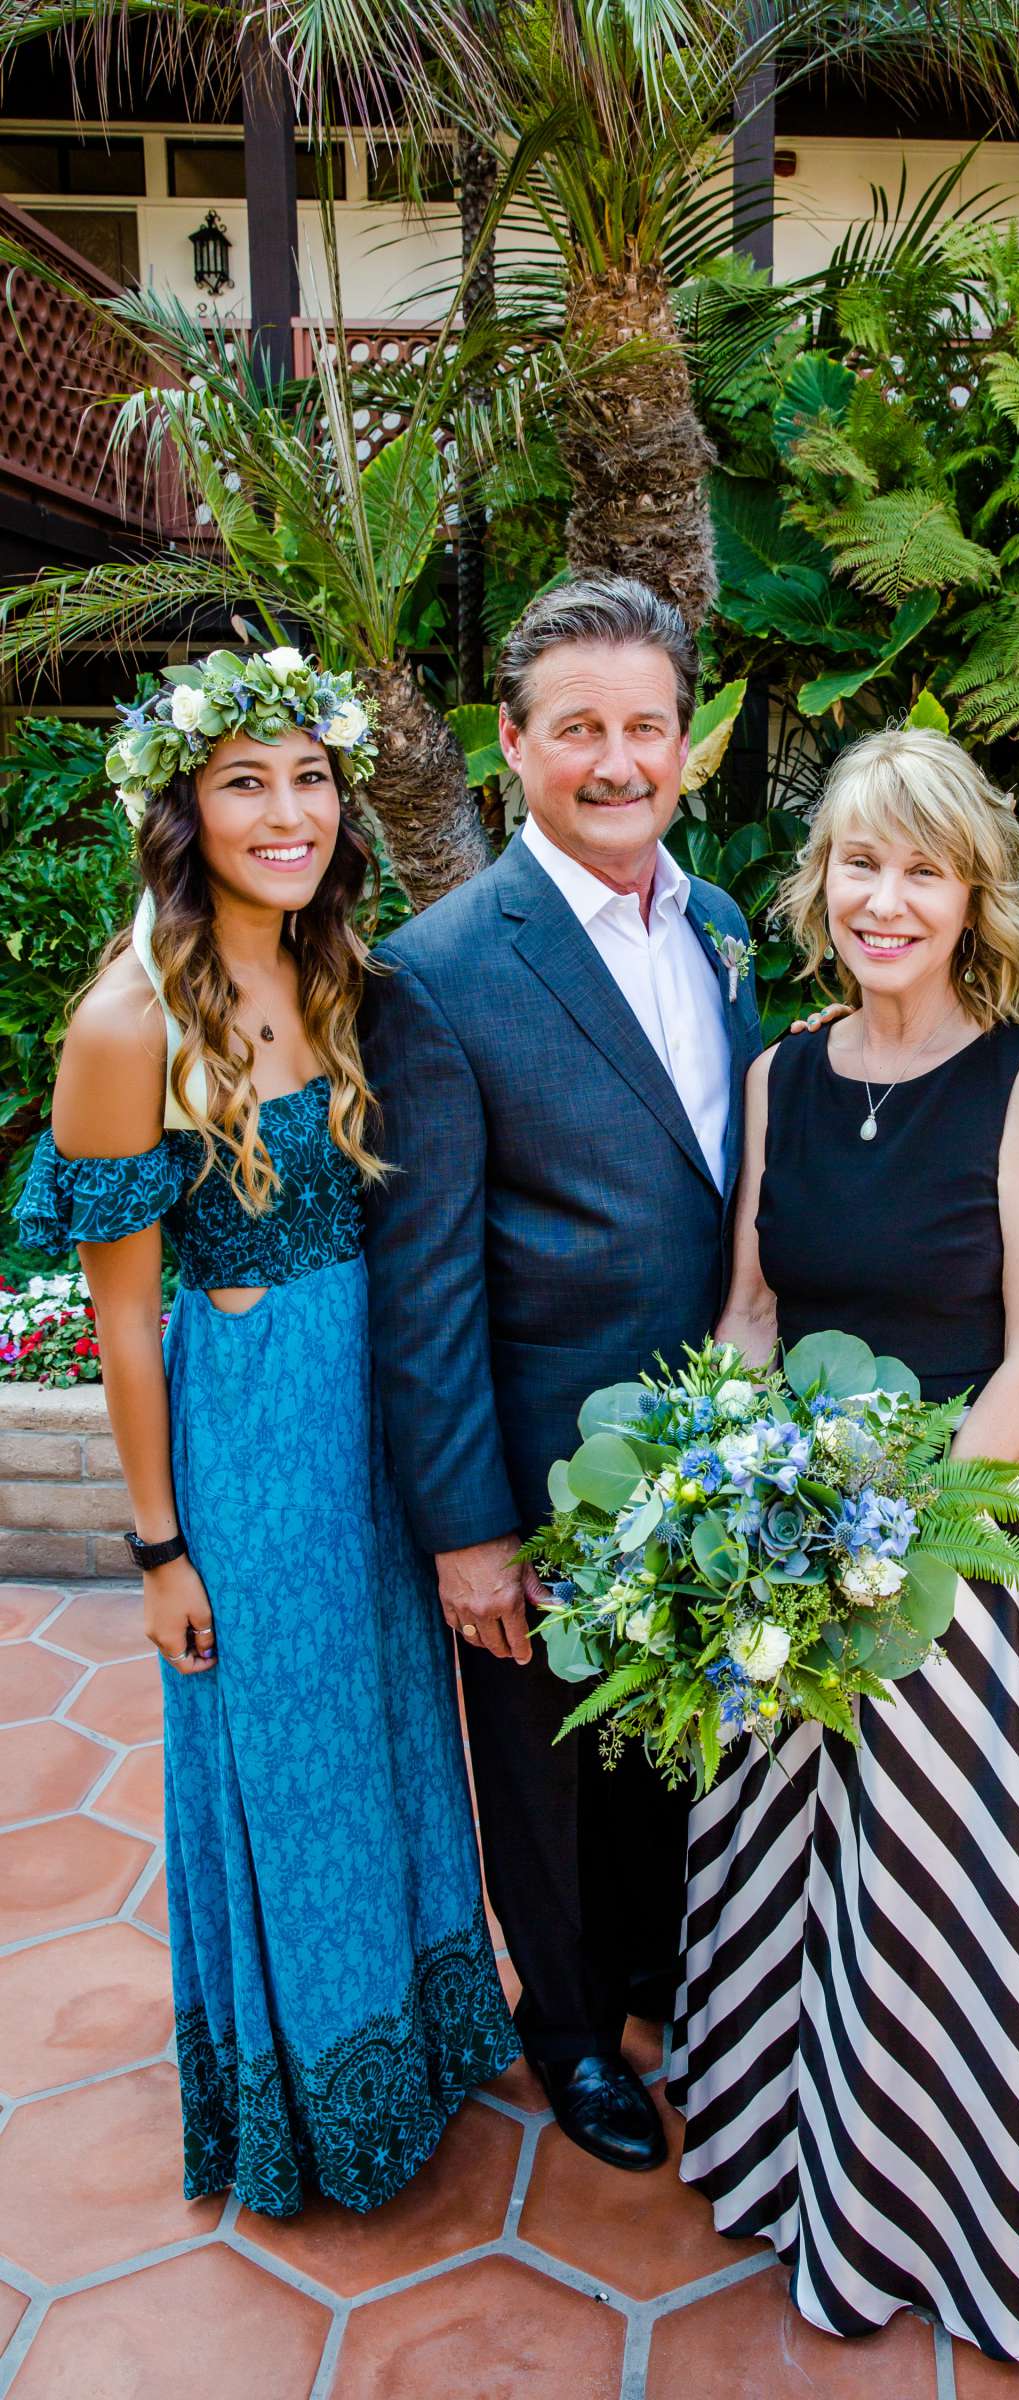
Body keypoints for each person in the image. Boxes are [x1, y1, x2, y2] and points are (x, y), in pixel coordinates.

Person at [14, 649, 517, 2216]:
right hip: (254, 1439)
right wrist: (160, 1546)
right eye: (246, 780)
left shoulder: (340, 972)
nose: (287, 811)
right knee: (289, 1750)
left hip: (383, 1412)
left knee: (393, 1718)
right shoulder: (124, 1025)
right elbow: (120, 1318)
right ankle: (318, 2097)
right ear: (184, 809)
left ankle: (427, 2032)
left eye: (309, 777)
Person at [670, 726, 1019, 2363]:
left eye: (922, 866)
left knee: (927, 1876)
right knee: (789, 1857)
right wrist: (721, 1499)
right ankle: (795, 2158)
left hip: (960, 1545)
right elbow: (758, 1309)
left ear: (975, 891)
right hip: (789, 1542)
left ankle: (933, 2199)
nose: (887, 897)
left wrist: (884, 1543)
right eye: (861, 861)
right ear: (820, 884)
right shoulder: (783, 1072)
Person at [362, 576, 763, 2173]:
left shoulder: (727, 927)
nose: (617, 760)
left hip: (708, 1449)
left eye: (646, 727)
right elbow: (427, 1275)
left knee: (678, 1744)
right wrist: (467, 1526)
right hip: (532, 1456)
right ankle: (575, 2035)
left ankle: (669, 1977)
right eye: (578, 728)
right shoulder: (440, 969)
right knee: (544, 1776)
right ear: (511, 746)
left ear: (686, 744)